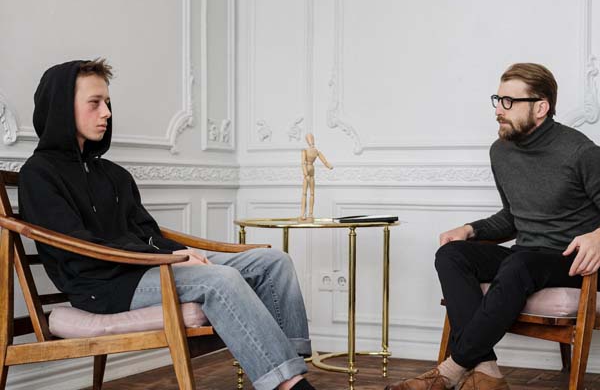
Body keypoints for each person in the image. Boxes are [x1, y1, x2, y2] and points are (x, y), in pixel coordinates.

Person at [18, 59, 316, 390]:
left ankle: (292, 370)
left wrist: (180, 252)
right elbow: (79, 247)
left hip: (145, 268)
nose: (107, 113)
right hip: (103, 287)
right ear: (62, 108)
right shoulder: (39, 174)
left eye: (108, 102)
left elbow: (147, 232)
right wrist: (168, 259)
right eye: (95, 103)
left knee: (274, 262)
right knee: (220, 280)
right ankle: (289, 385)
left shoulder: (114, 175)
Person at [386, 63, 600, 390]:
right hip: (526, 257)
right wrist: (470, 230)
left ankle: (450, 370)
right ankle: (487, 370)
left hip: (572, 261)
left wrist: (598, 236)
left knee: (519, 263)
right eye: (497, 100)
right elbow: (513, 217)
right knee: (452, 255)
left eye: (509, 102)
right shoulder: (501, 152)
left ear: (541, 107)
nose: (499, 110)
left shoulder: (581, 152)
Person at [299, 133, 333, 221]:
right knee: (305, 193)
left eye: (312, 138)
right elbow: (303, 163)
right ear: (308, 141)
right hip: (308, 171)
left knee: (311, 193)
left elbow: (324, 161)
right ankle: (303, 213)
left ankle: (310, 213)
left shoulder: (316, 151)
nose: (311, 140)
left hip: (311, 172)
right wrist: (305, 174)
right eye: (310, 139)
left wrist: (329, 166)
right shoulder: (305, 151)